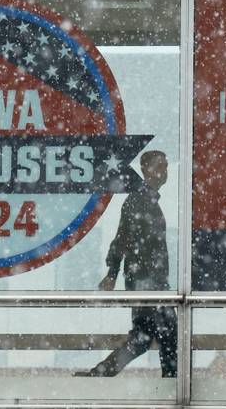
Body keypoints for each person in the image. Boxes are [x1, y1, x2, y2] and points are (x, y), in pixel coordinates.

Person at [76, 150, 177, 378]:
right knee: (168, 334)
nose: (164, 171)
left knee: (144, 338)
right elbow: (121, 239)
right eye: (158, 165)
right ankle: (171, 385)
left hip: (150, 283)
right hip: (146, 284)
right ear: (144, 170)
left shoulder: (146, 201)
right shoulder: (138, 201)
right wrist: (112, 272)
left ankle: (98, 375)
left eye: (166, 166)